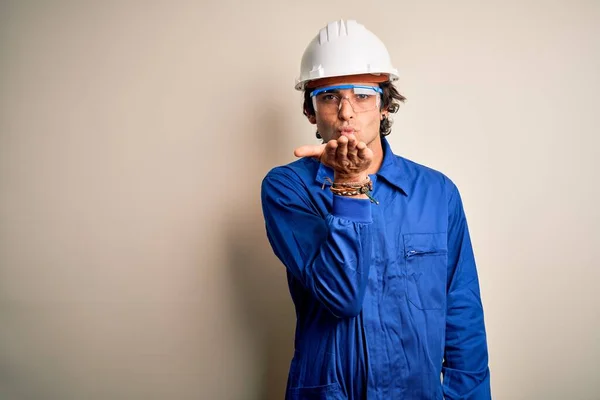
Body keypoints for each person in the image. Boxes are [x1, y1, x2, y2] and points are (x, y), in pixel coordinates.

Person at [261, 19, 491, 400]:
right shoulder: (287, 188)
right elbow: (342, 296)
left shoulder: (437, 192)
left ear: (385, 106)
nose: (347, 112)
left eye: (363, 95)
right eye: (331, 96)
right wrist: (348, 186)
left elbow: (461, 312)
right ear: (310, 112)